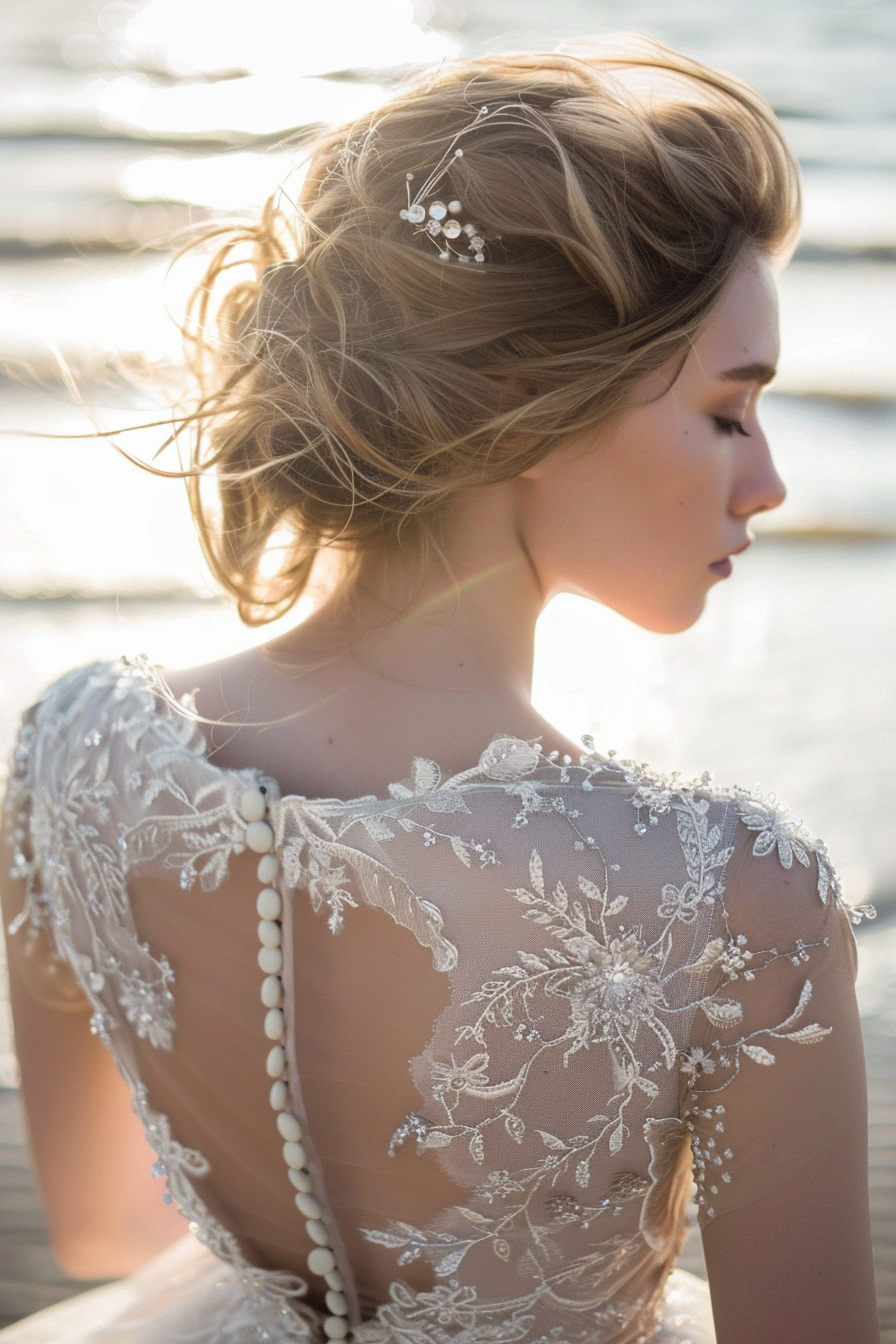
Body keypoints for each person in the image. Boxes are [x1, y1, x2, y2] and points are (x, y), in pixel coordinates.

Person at [0, 37, 880, 1344]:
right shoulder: (736, 893)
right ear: (524, 404)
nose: (767, 484)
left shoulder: (69, 747)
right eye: (725, 412)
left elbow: (103, 1232)